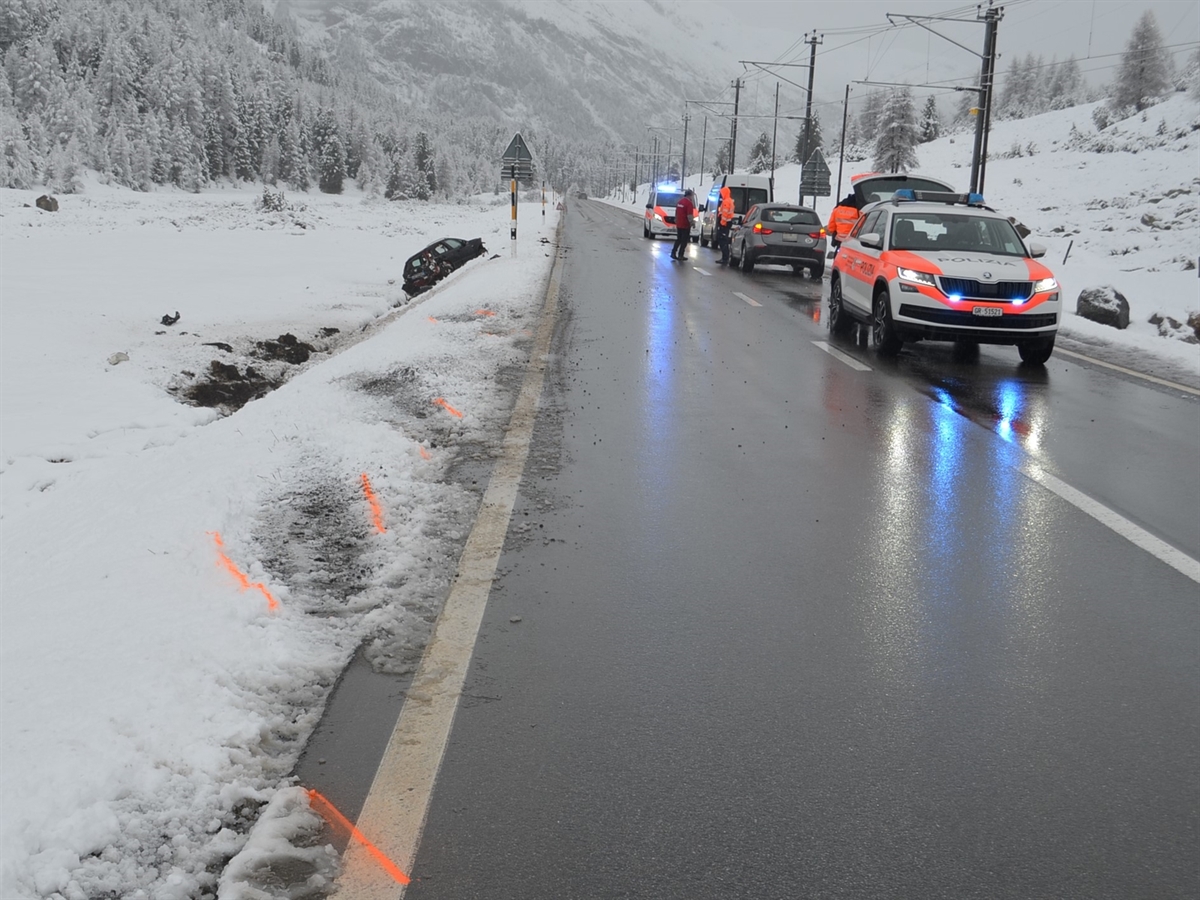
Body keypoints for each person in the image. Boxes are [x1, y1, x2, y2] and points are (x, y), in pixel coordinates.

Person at [670, 189, 695, 260]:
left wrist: (676, 220)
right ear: (689, 195)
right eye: (692, 195)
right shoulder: (689, 203)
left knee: (679, 239)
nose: (692, 197)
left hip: (679, 224)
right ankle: (681, 254)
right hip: (685, 224)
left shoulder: (679, 202)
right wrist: (692, 223)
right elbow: (689, 215)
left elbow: (677, 212)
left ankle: (673, 252)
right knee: (684, 241)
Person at [715, 185, 735, 265]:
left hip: (725, 223)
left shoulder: (726, 201)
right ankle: (725, 257)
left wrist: (722, 223)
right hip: (727, 223)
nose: (721, 194)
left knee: (722, 240)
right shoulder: (729, 200)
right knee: (724, 240)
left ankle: (725, 258)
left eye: (722, 193)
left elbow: (725, 213)